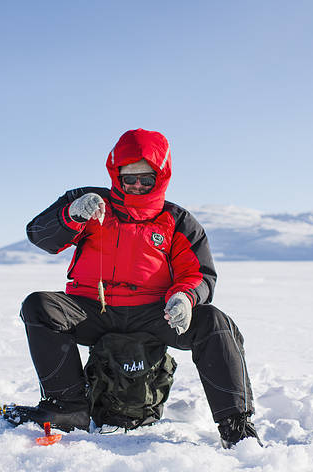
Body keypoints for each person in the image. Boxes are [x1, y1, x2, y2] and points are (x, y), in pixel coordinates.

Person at [17, 128, 262, 448]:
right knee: (40, 305)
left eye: (145, 179)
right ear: (115, 172)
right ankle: (68, 408)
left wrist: (185, 298)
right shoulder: (88, 202)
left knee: (214, 322)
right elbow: (41, 237)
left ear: (160, 177)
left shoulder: (177, 220)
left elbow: (200, 274)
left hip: (154, 314)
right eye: (127, 177)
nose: (135, 185)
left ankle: (236, 426)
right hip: (93, 309)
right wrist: (70, 215)